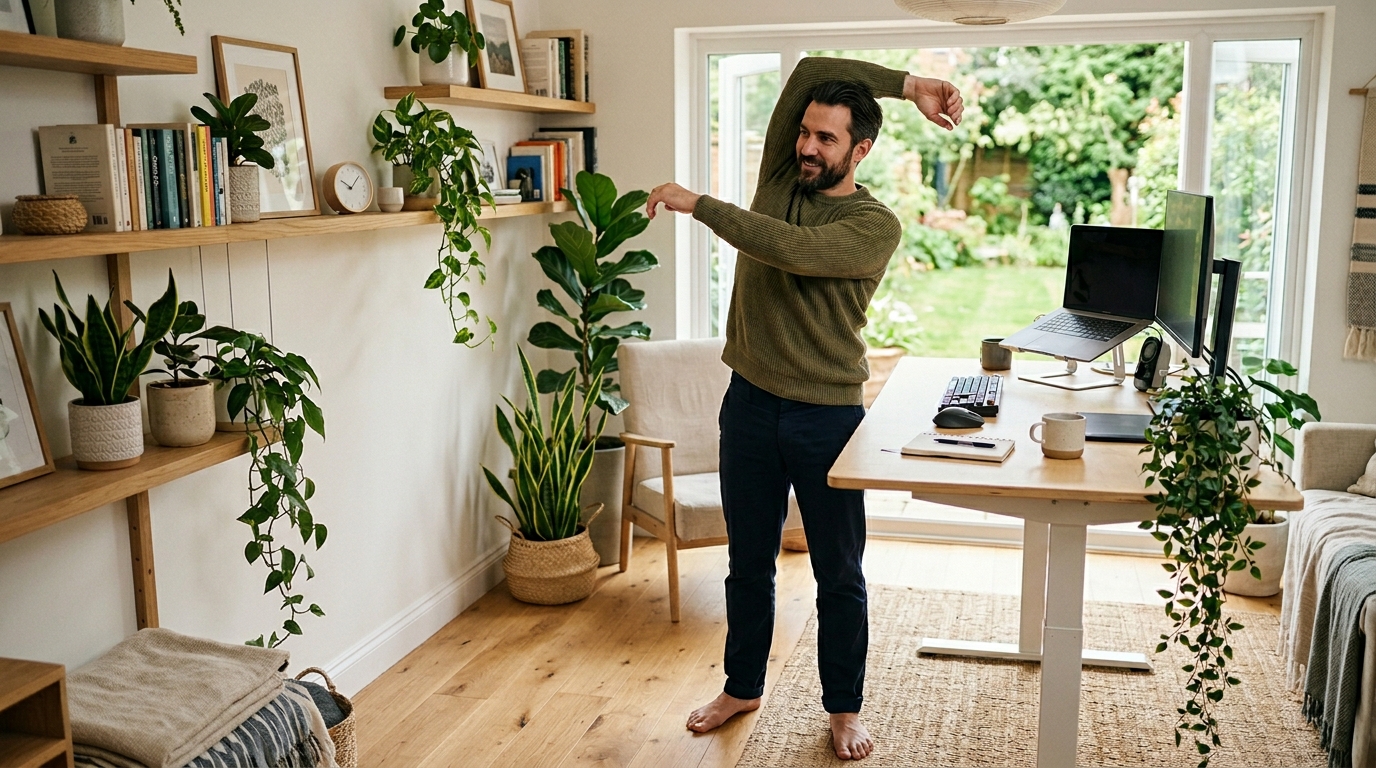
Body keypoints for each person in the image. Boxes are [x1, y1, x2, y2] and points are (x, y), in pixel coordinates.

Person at [645, 56, 963, 761]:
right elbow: (814, 66)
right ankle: (741, 687)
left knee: (839, 574)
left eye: (827, 139)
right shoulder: (782, 177)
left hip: (826, 416)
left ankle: (843, 709)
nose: (809, 147)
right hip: (750, 404)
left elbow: (789, 250)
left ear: (861, 149)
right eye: (807, 133)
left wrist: (701, 204)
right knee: (747, 562)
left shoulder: (873, 226)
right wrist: (911, 86)